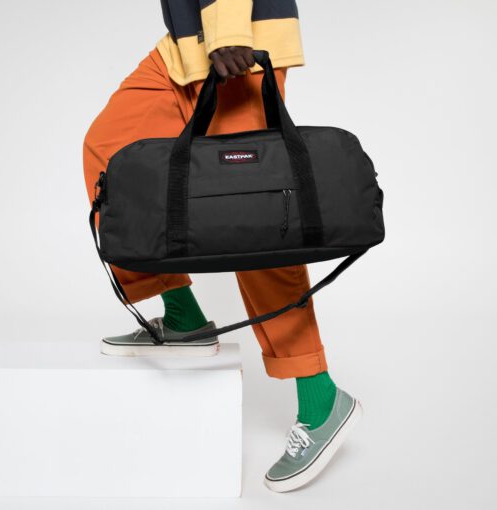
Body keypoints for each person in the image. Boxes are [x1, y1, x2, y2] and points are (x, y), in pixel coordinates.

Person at [83, 0, 361, 493]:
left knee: (255, 218)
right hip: (184, 47)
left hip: (236, 38)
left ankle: (320, 397)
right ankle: (184, 319)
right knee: (109, 150)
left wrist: (228, 32)